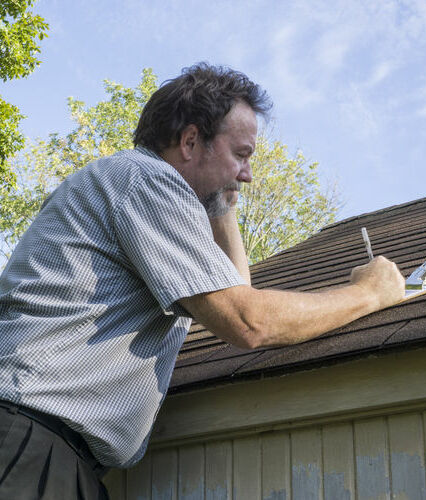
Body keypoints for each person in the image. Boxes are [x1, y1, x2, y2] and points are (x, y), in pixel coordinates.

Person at [0, 63, 405, 499]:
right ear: (191, 141)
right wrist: (370, 293)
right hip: (26, 441)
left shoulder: (134, 187)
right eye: (242, 154)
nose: (248, 174)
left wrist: (222, 203)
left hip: (49, 451)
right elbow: (250, 322)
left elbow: (238, 291)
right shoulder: (146, 180)